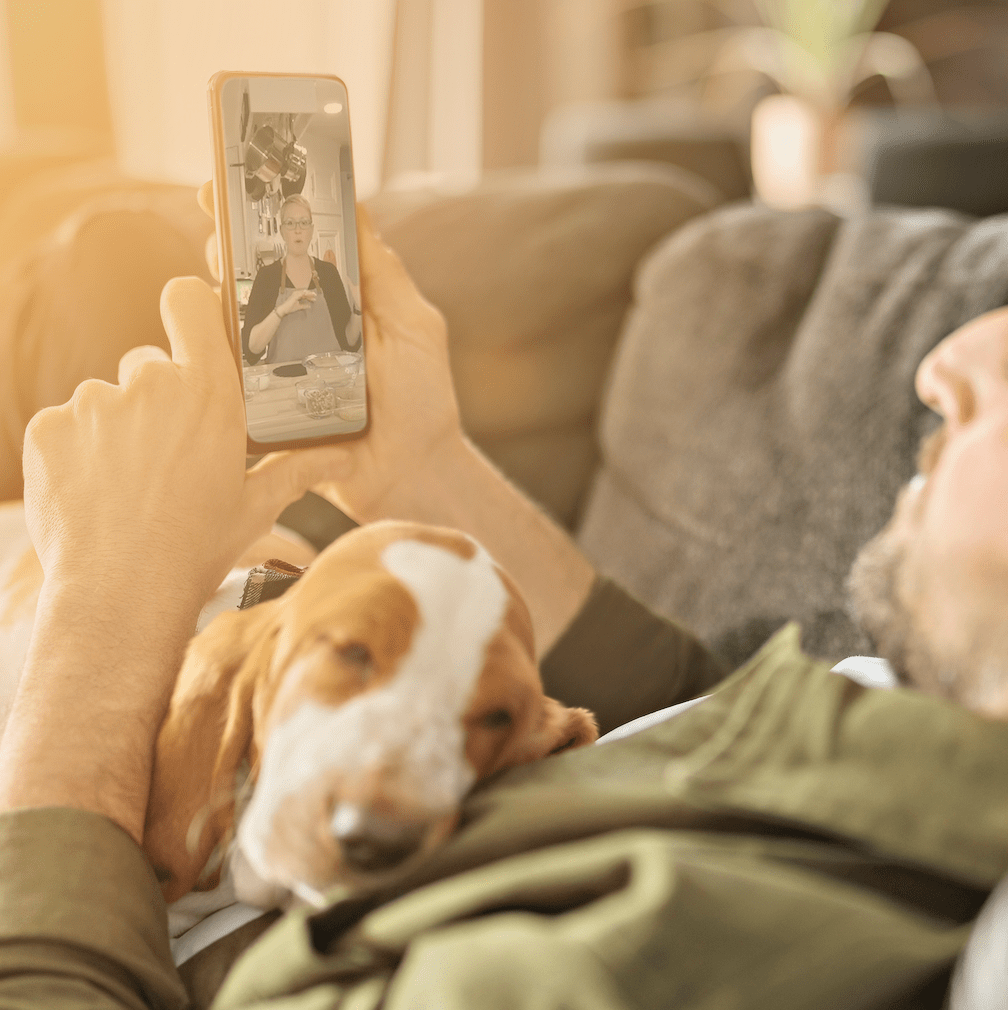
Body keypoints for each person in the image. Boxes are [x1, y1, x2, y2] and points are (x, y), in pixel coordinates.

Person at [0, 188, 1005, 1009]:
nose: (946, 360)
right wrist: (416, 469)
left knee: (99, 257)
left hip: (106, 853)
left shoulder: (635, 962)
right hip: (302, 608)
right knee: (118, 254)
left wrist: (100, 610)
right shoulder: (907, 748)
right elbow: (692, 715)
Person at [241, 193, 356, 364]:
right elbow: (251, 350)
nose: (297, 230)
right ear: (281, 231)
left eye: (304, 222)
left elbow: (350, 343)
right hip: (283, 383)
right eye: (290, 223)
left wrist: (359, 309)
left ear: (311, 230)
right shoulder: (267, 277)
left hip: (328, 381)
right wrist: (282, 310)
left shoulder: (328, 273)